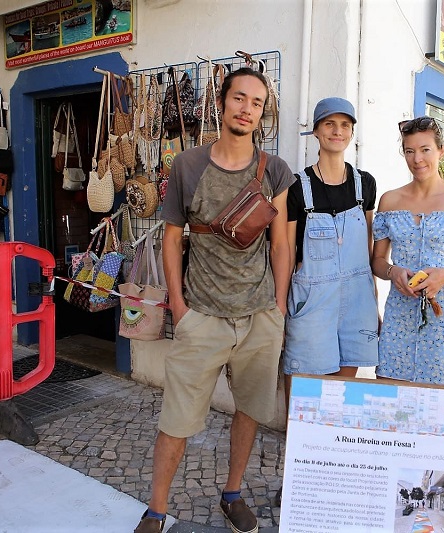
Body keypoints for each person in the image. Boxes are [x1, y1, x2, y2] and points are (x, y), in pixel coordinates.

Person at [134, 67, 294, 533]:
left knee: (249, 410)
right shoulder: (187, 165)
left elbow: (282, 244)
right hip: (202, 315)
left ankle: (232, 493)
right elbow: (170, 238)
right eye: (239, 98)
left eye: (257, 103)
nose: (247, 109)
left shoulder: (276, 170)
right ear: (222, 103)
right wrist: (180, 309)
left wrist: (278, 307)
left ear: (263, 113)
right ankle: (156, 510)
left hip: (260, 315)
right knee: (177, 418)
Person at [371, 116, 444, 385]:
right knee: (391, 408)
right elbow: (377, 261)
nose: (417, 159)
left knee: (438, 416)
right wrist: (393, 271)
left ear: (441, 151)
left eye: (425, 150)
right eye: (409, 151)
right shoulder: (390, 200)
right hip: (398, 320)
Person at [283, 97, 378, 391]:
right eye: (329, 124)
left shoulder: (365, 184)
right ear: (316, 131)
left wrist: (374, 304)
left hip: (358, 298)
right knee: (304, 386)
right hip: (312, 297)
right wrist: (281, 307)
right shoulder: (296, 186)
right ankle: (294, 438)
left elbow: (369, 249)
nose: (337, 131)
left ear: (351, 132)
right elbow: (286, 251)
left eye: (345, 125)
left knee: (340, 391)